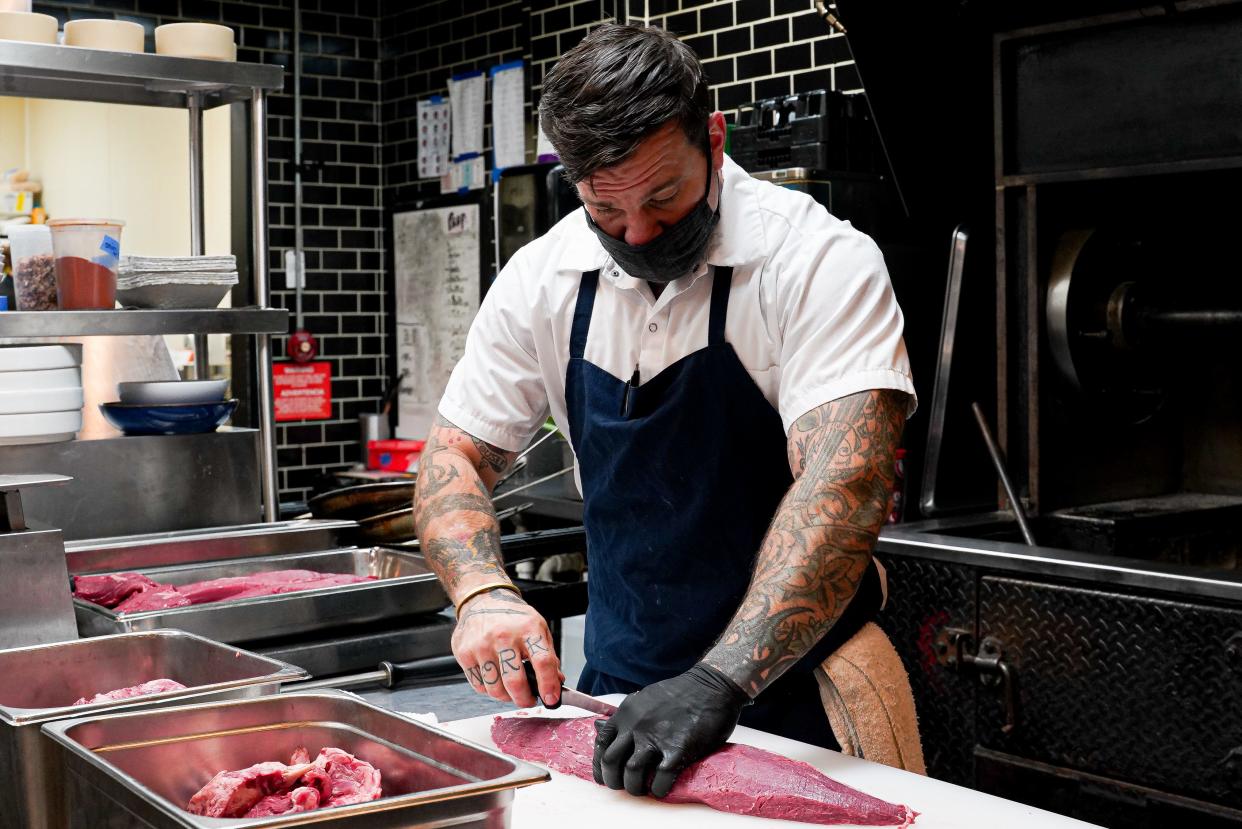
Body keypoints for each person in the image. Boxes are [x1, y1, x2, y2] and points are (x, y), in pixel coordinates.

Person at [413, 22, 915, 800]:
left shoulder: (816, 260)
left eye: (665, 198)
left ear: (713, 139)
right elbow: (455, 456)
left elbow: (843, 490)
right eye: (606, 212)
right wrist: (482, 593)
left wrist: (719, 680)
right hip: (618, 695)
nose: (639, 233)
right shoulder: (542, 279)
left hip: (808, 697)